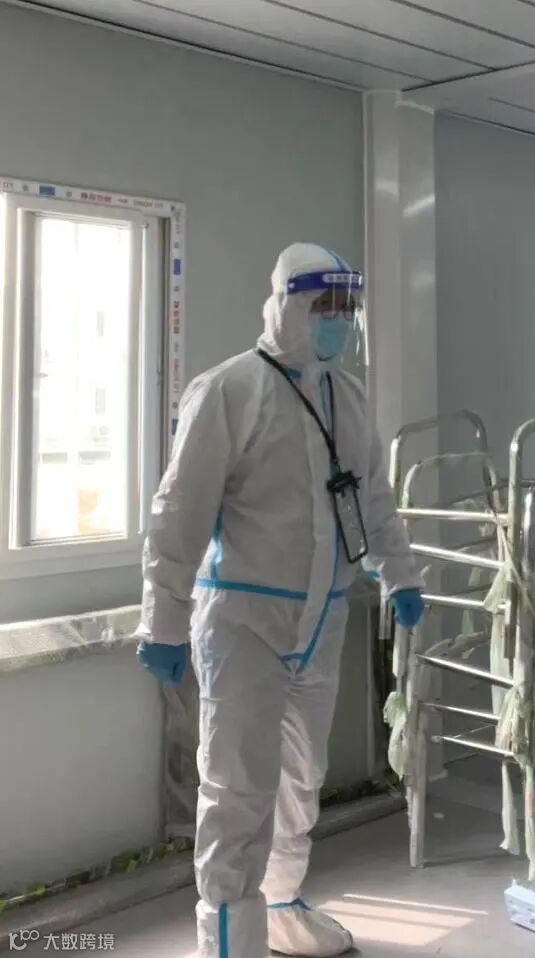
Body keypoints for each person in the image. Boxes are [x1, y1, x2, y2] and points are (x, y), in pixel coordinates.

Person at [135, 243, 424, 958]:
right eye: (324, 306)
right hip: (244, 620)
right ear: (287, 305)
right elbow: (180, 512)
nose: (337, 320)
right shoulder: (229, 390)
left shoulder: (346, 396)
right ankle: (227, 938)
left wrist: (400, 573)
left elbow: (373, 498)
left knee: (301, 778)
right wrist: (163, 618)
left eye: (346, 307)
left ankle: (283, 906)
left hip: (322, 616)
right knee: (237, 785)